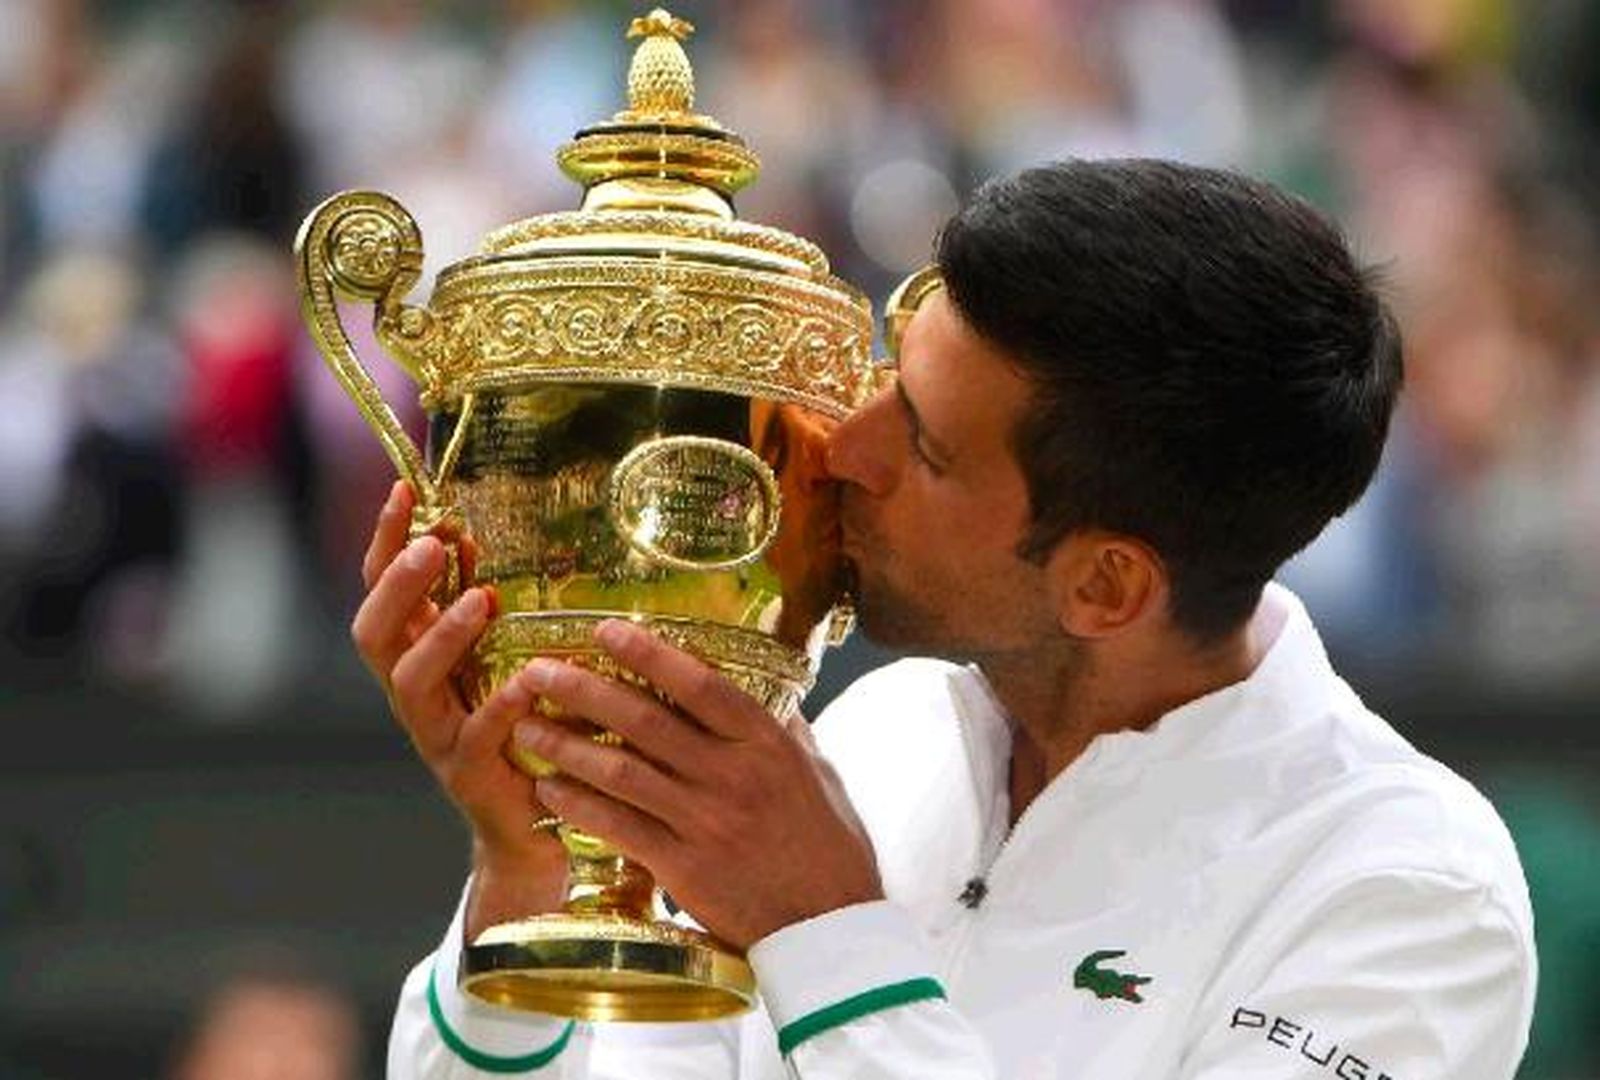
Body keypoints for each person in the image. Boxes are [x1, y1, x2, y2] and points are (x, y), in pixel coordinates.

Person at [356, 159, 1535, 1078]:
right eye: (886, 375)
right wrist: (530, 869)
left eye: (920, 444)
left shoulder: (1407, 893)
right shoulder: (877, 734)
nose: (840, 450)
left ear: (1105, 587)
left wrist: (825, 932)